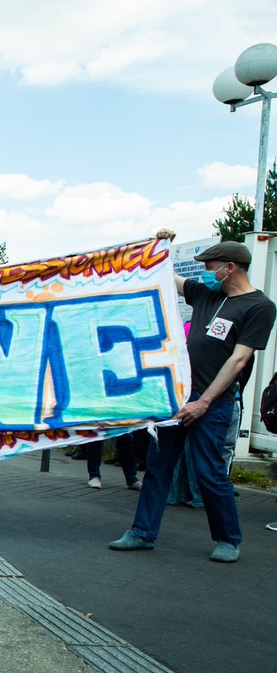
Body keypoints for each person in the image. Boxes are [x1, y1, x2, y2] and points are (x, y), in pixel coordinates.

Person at [109, 236, 275, 563]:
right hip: (178, 397)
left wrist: (204, 402)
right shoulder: (206, 295)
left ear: (230, 268)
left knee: (210, 471)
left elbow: (238, 360)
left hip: (213, 403)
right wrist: (159, 247)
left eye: (211, 267)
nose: (205, 274)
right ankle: (141, 533)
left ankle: (228, 539)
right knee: (159, 468)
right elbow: (166, 276)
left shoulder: (260, 307)